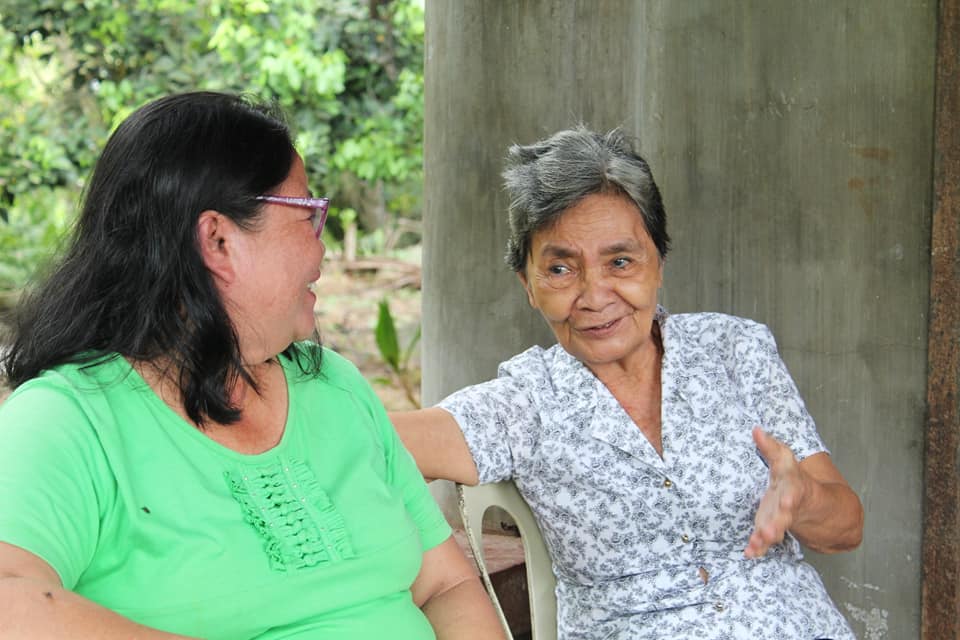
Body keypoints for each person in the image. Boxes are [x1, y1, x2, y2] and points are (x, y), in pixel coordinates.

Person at [0, 92, 504, 640]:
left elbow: (444, 586)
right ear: (217, 239)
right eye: (307, 215)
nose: (321, 251)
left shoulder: (334, 386)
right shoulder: (69, 421)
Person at [391, 126, 864, 639]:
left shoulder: (733, 350)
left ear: (658, 260)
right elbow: (369, 439)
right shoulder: (529, 401)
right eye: (560, 269)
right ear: (528, 284)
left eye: (620, 261)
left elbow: (845, 528)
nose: (595, 296)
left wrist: (802, 499)